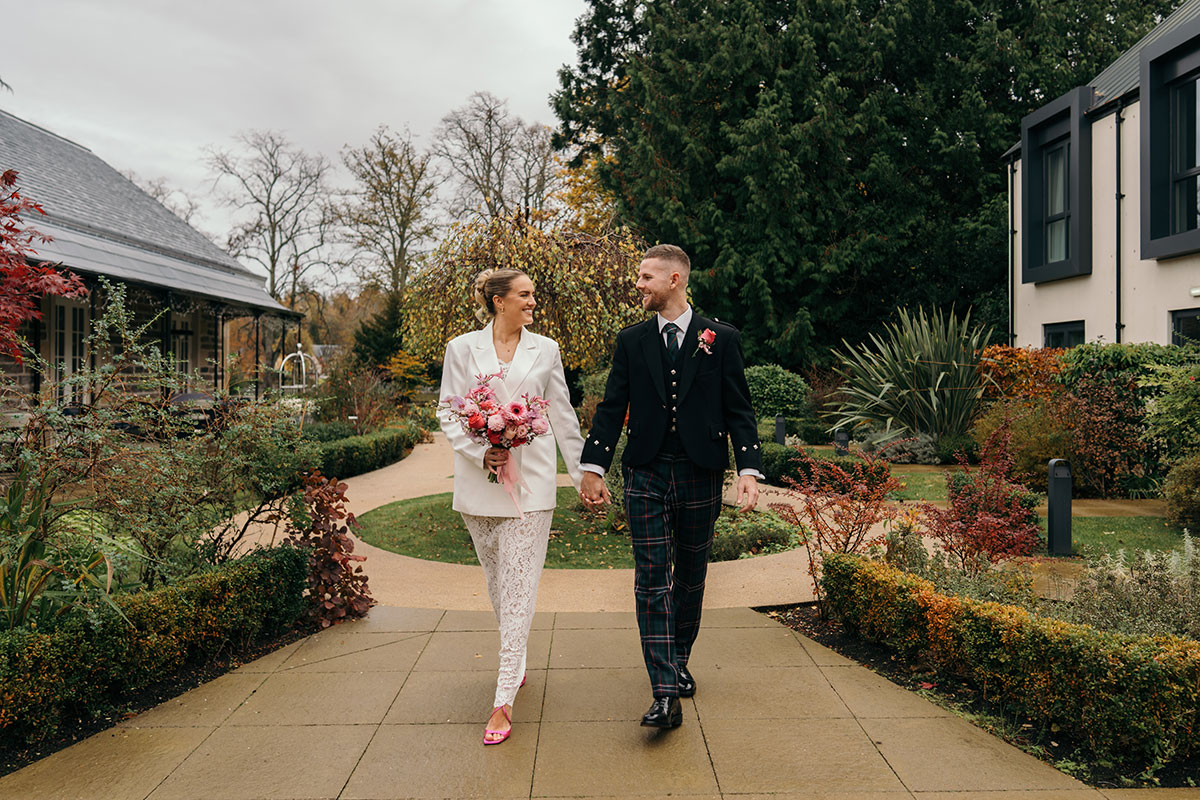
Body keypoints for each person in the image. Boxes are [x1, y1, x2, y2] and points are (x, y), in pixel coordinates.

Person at [580, 244, 762, 729]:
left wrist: (747, 469)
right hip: (646, 471)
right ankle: (664, 692)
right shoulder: (631, 340)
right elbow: (610, 406)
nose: (638, 284)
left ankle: (678, 658)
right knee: (651, 580)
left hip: (701, 471)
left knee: (691, 577)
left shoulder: (720, 338)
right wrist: (594, 466)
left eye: (646, 277)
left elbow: (739, 409)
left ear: (675, 279)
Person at [438, 268, 585, 745]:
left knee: (520, 588)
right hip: (479, 488)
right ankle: (515, 659)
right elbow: (448, 409)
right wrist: (481, 449)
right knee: (499, 587)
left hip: (532, 487)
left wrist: (584, 474)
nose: (533, 303)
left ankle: (502, 700)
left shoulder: (547, 349)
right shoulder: (462, 348)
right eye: (525, 295)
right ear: (499, 302)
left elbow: (561, 413)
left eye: (534, 296)